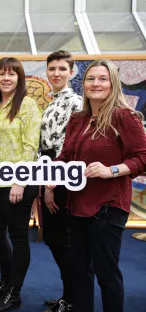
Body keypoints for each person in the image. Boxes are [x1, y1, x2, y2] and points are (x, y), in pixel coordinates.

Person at [50, 59, 146, 312]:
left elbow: (142, 158)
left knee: (106, 273)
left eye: (102, 78)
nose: (96, 84)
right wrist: (51, 172)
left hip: (108, 206)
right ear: (84, 84)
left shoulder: (124, 116)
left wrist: (111, 170)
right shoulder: (77, 119)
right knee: (79, 272)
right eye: (91, 79)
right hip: (76, 204)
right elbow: (66, 156)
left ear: (113, 83)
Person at [0, 57, 42, 311]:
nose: (6, 78)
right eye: (2, 74)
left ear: (20, 78)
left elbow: (31, 146)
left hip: (19, 183)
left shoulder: (27, 106)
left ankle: (14, 293)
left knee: (18, 237)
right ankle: (6, 281)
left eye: (12, 74)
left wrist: (20, 180)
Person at [40, 50, 82, 312]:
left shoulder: (75, 102)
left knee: (62, 240)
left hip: (62, 178)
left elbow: (66, 148)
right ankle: (69, 294)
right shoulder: (52, 102)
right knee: (56, 240)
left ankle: (73, 299)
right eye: (52, 68)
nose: (56, 73)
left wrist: (50, 186)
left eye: (62, 69)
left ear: (72, 72)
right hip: (50, 173)